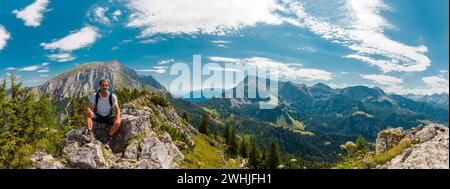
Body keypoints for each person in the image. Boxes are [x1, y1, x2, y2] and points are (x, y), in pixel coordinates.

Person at [85, 79, 121, 145]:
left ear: (108, 87)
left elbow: (117, 108)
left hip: (108, 117)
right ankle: (90, 133)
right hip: (98, 116)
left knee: (118, 122)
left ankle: (108, 138)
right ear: (100, 86)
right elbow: (90, 107)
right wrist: (89, 110)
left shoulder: (112, 96)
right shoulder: (95, 95)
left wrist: (118, 118)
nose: (104, 87)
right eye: (103, 85)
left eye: (106, 85)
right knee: (88, 114)